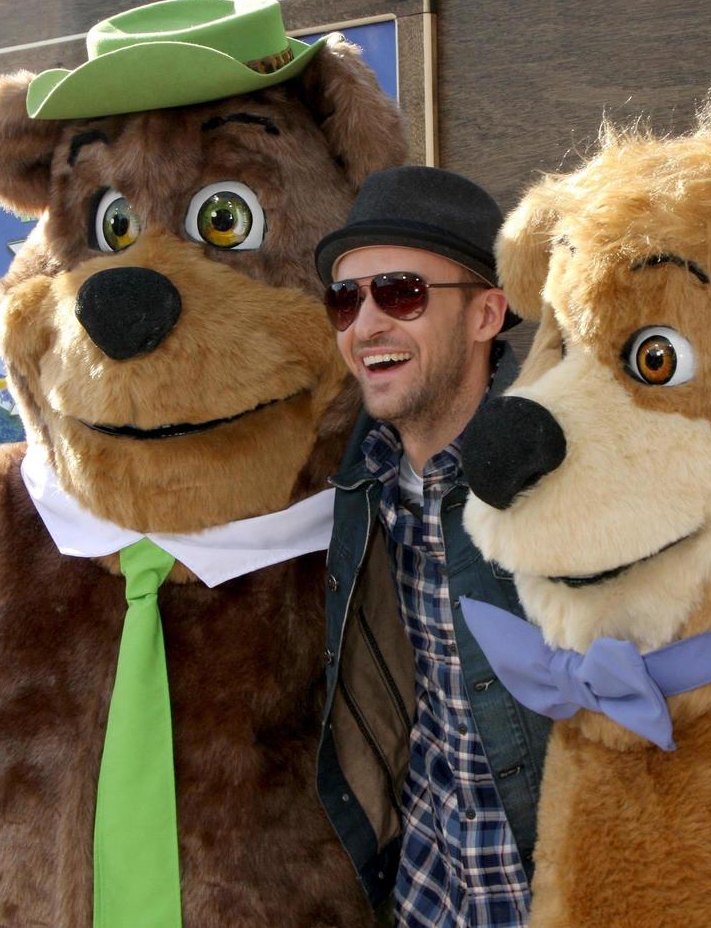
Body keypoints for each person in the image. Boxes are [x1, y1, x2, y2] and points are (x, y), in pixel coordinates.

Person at [313, 166, 552, 927]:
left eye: (402, 293)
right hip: (421, 896)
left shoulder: (568, 472)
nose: (365, 324)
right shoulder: (357, 482)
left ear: (488, 313)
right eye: (346, 300)